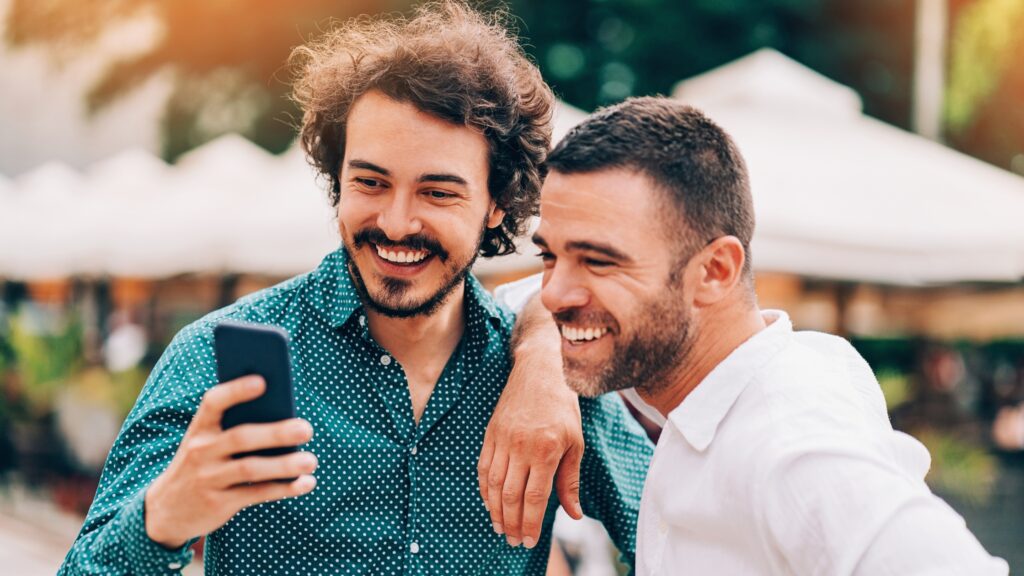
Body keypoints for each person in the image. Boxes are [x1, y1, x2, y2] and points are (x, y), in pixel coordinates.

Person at [58, 3, 651, 574]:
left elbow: (684, 534)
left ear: (497, 204)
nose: (395, 223)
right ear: (337, 180)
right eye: (371, 182)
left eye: (437, 192)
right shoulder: (212, 357)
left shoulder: (551, 386)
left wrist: (544, 353)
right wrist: (162, 518)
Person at [507, 96, 1008, 574]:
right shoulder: (772, 370)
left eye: (597, 261)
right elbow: (517, 297)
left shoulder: (792, 445)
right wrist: (537, 359)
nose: (555, 293)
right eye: (550, 255)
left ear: (715, 271)